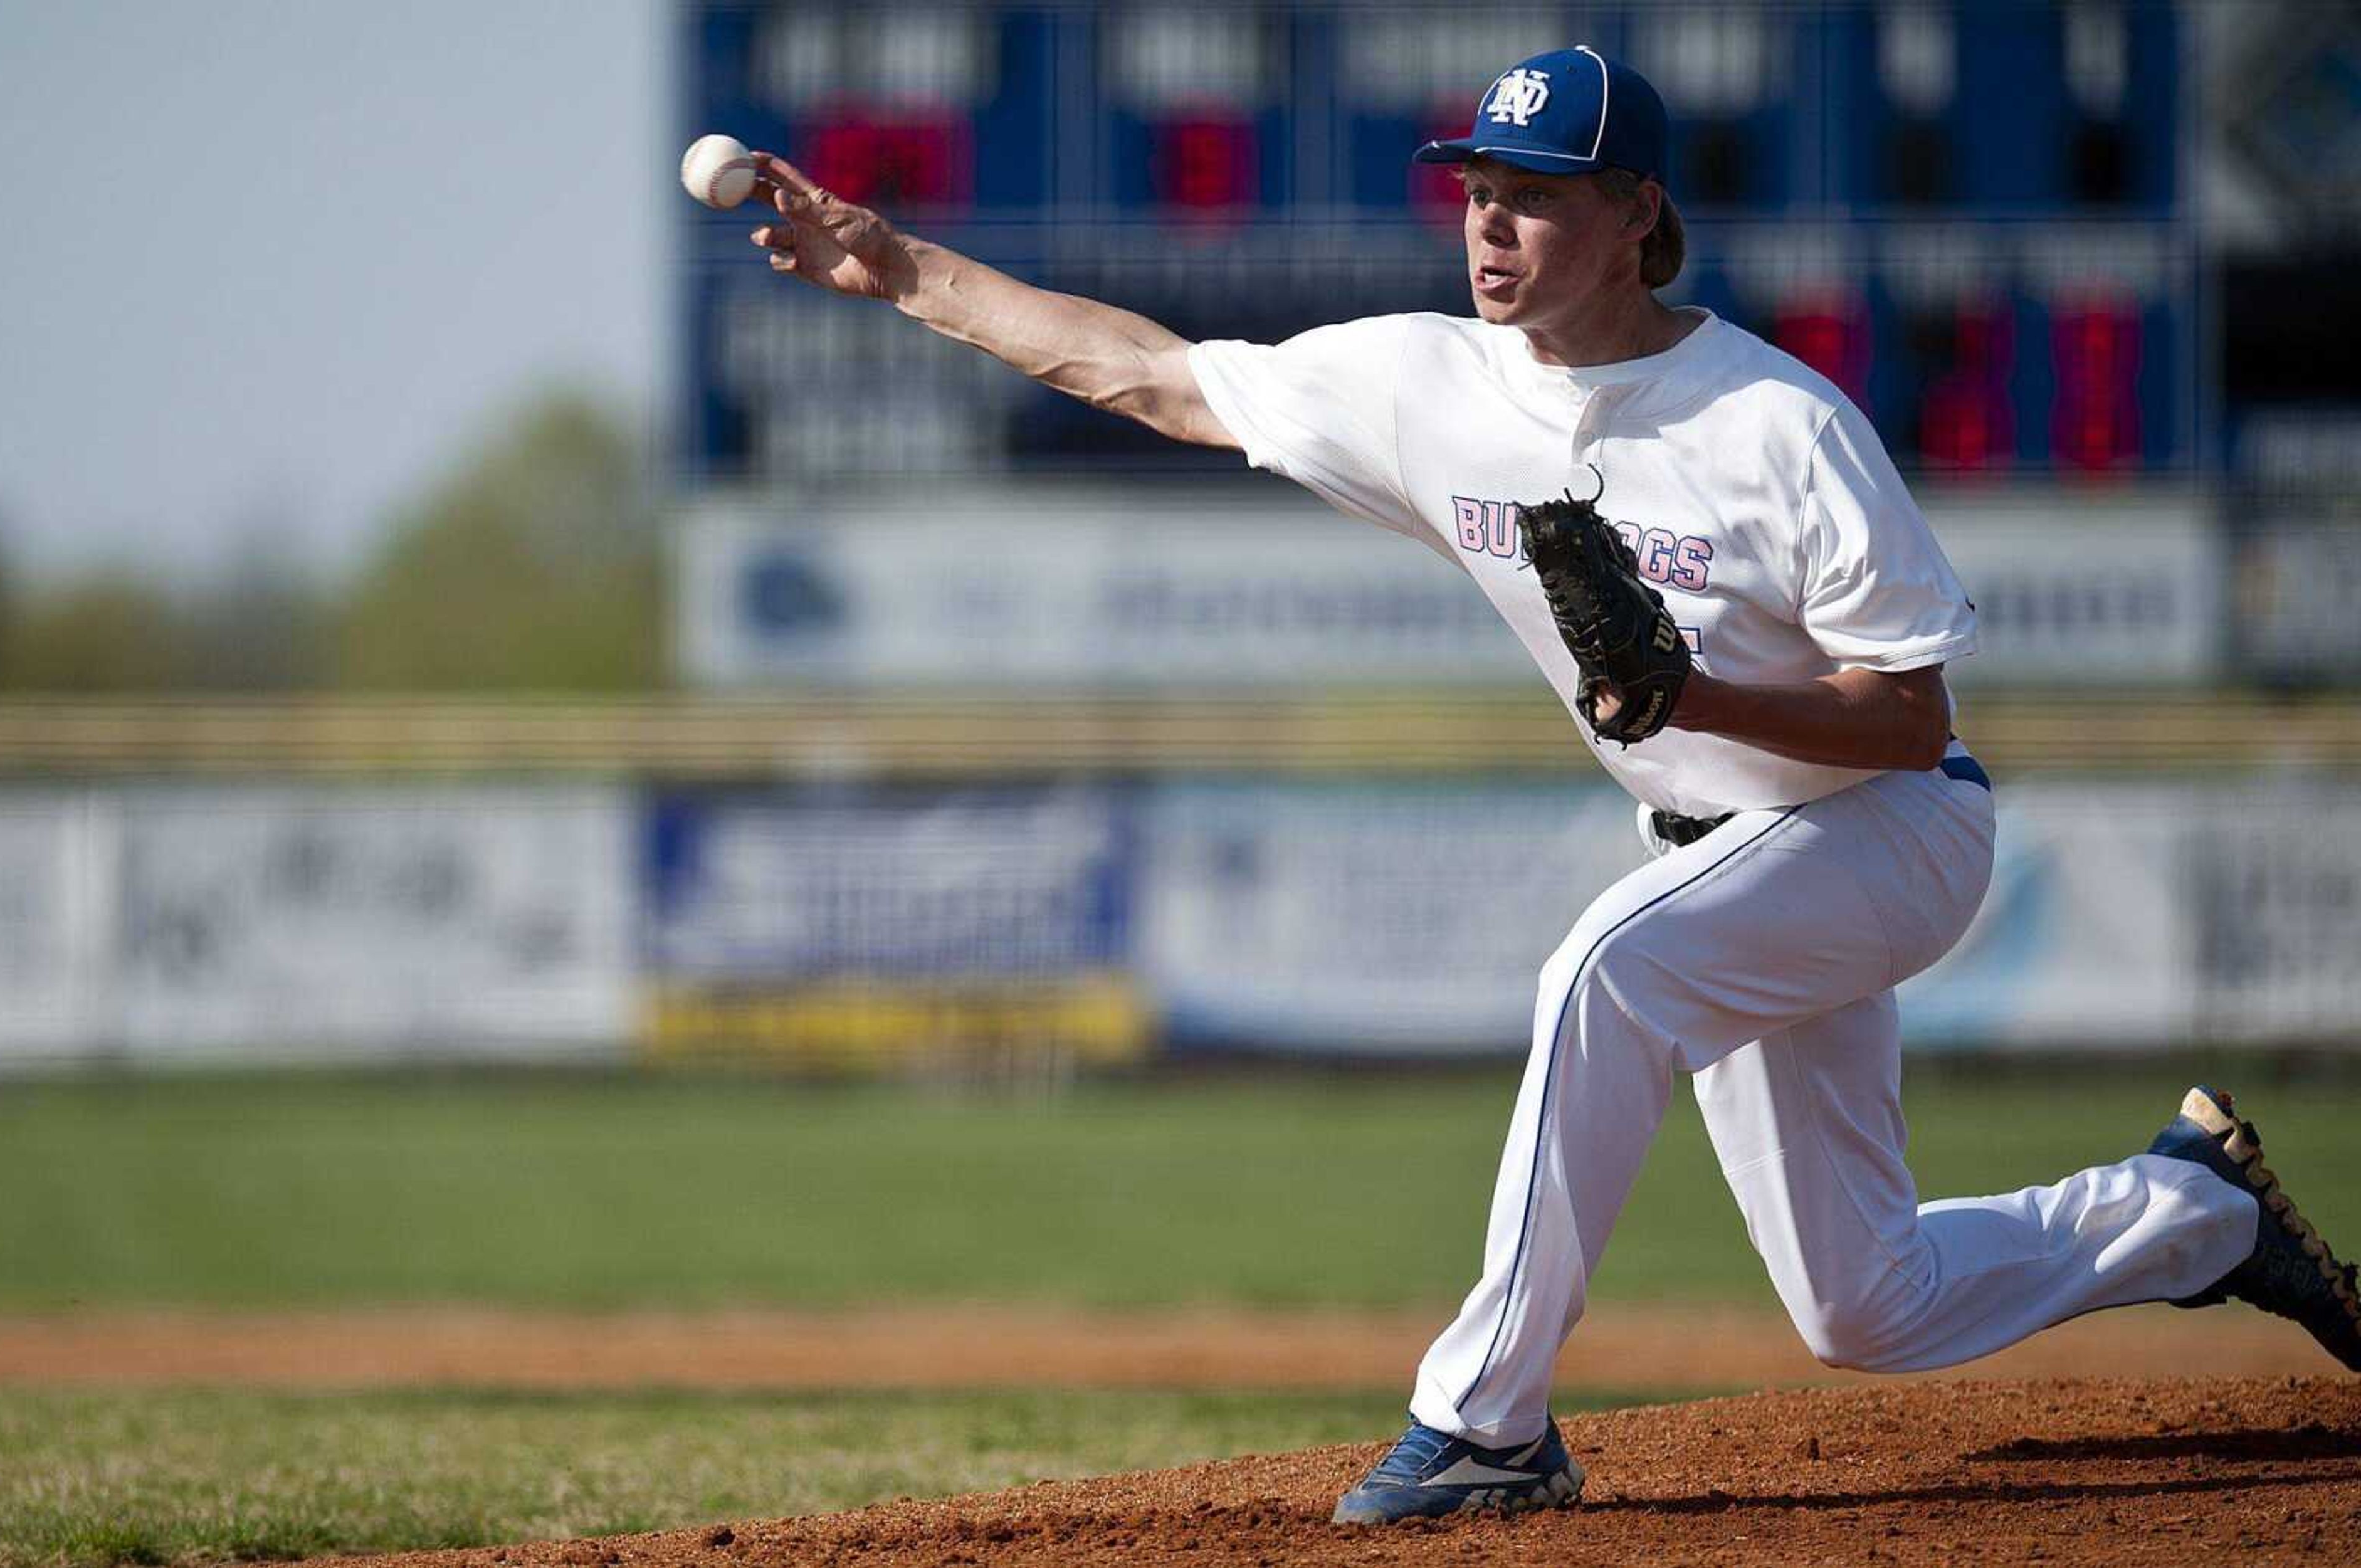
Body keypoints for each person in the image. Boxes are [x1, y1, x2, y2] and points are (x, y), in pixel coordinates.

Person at [740, 44, 2361, 1527]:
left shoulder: (1779, 425)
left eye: (1535, 196)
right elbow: (1146, 373)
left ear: (1636, 213)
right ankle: (2193, 1211)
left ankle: (1492, 1425)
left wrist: (1701, 691)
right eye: (1479, 192)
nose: (1491, 227)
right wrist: (897, 271)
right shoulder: (1429, 383)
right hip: (1717, 851)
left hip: (1891, 828)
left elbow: (1906, 713)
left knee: (1605, 968)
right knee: (1868, 1310)